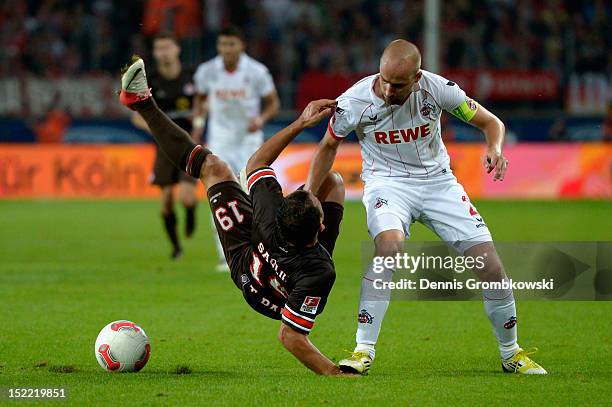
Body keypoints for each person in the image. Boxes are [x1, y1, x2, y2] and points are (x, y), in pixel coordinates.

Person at [306, 40, 547, 375]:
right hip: (387, 183)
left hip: (439, 185)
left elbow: (491, 123)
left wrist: (494, 147)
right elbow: (328, 144)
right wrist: (309, 193)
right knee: (388, 248)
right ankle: (362, 350)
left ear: (417, 77)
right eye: (385, 80)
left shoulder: (439, 90)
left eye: (399, 84)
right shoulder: (354, 101)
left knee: (490, 267)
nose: (389, 90)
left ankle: (512, 354)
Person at [120, 57, 350, 375]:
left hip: (247, 259)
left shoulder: (271, 216)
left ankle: (143, 104)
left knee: (213, 169)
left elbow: (257, 163)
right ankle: (142, 101)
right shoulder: (321, 269)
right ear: (321, 225)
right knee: (335, 182)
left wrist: (300, 124)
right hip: (272, 268)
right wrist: (335, 372)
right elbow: (292, 336)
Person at [192, 25, 281, 271]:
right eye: (222, 44)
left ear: (241, 46)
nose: (226, 49)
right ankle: (226, 255)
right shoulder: (207, 71)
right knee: (219, 195)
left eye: (231, 44)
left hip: (249, 143)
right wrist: (198, 126)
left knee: (249, 195)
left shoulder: (257, 71)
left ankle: (258, 251)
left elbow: (273, 103)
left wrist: (261, 120)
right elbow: (199, 101)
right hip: (219, 141)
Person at [131, 32, 198, 260]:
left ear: (177, 49)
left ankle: (191, 212)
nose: (164, 53)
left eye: (168, 47)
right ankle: (176, 248)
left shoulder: (192, 77)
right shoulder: (150, 82)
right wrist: (155, 127)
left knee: (187, 198)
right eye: (159, 49)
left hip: (188, 144)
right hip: (164, 146)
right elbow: (136, 116)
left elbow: (204, 105)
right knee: (166, 204)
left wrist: (199, 122)